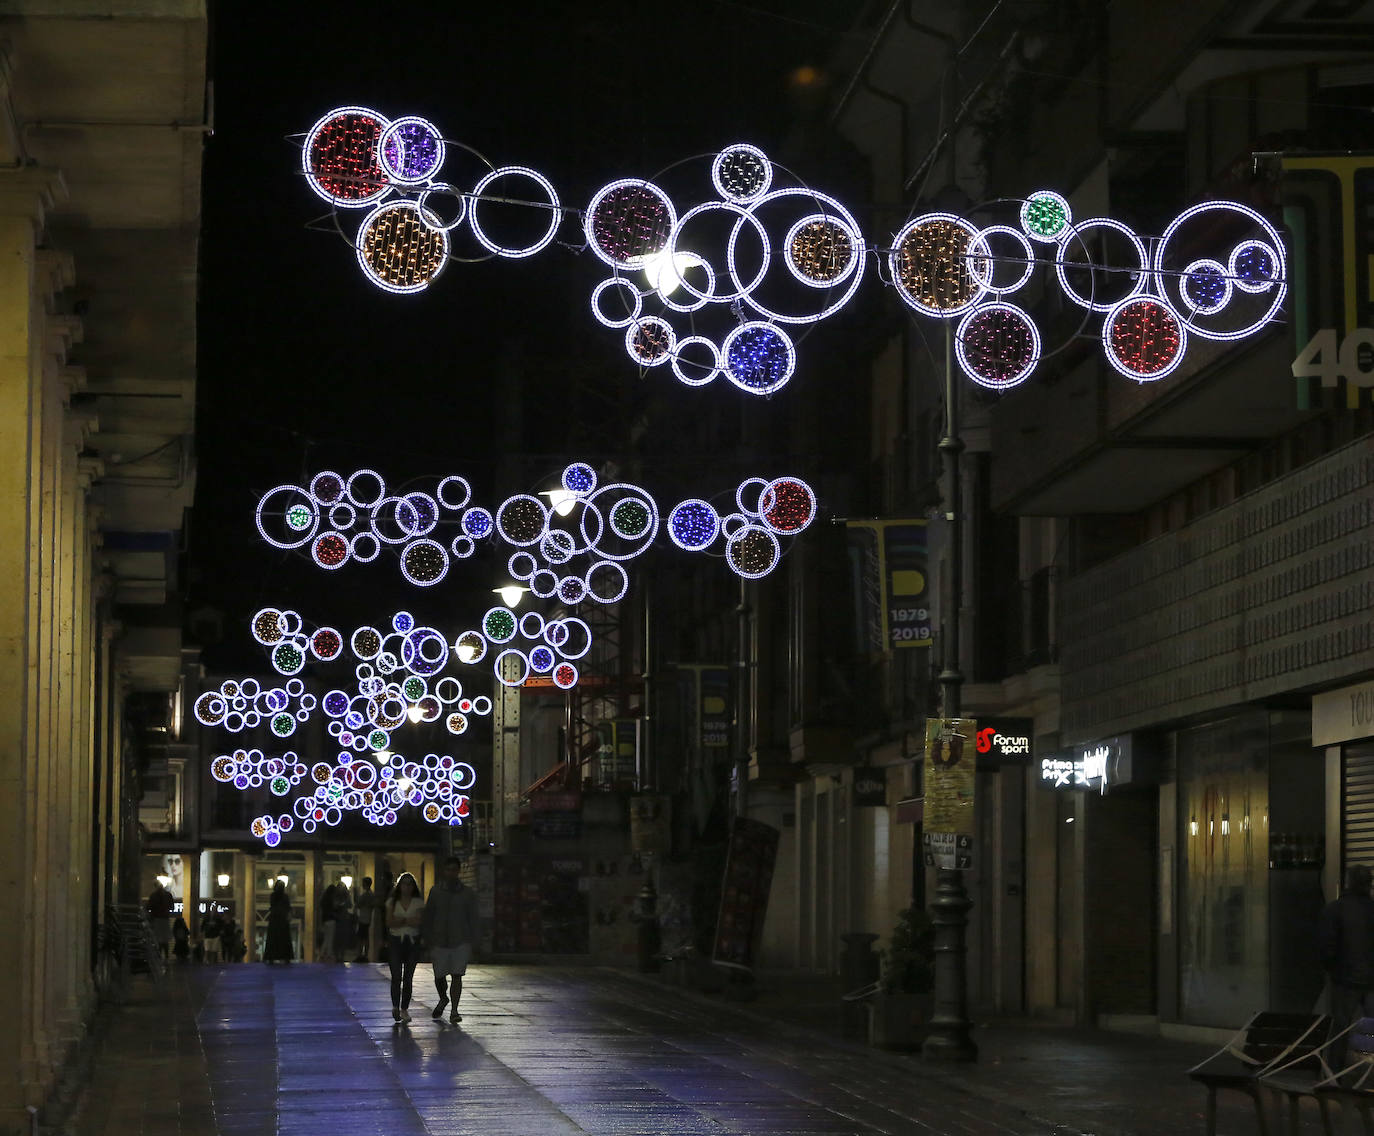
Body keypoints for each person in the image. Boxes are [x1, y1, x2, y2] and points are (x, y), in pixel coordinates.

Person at [1319, 863, 1374, 1070]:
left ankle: (1335, 1074)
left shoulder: (1335, 909)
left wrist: (1333, 970)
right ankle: (1367, 1073)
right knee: (1372, 1029)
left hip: (1344, 980)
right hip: (1371, 981)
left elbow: (1326, 946)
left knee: (1340, 1029)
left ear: (1348, 882)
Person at [421, 856, 479, 1024]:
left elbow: (473, 917)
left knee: (457, 975)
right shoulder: (436, 891)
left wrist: (475, 940)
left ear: (458, 871)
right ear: (444, 871)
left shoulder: (467, 893)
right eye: (448, 870)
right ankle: (443, 998)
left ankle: (454, 1010)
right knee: (439, 975)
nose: (451, 873)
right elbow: (429, 915)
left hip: (460, 939)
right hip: (439, 940)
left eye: (454, 870)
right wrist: (427, 938)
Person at [386, 872, 424, 1022]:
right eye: (404, 884)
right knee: (396, 976)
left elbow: (419, 921)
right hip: (395, 940)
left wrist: (400, 920)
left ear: (413, 887)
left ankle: (404, 1009)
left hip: (412, 941)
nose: (406, 887)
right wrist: (408, 920)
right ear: (399, 885)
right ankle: (395, 1006)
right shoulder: (392, 902)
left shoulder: (418, 903)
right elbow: (389, 922)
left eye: (409, 884)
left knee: (408, 977)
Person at [263, 879, 293, 963]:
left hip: (275, 920)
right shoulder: (285, 896)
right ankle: (285, 957)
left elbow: (273, 906)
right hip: (282, 920)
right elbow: (288, 907)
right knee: (284, 939)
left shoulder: (273, 896)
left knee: (273, 939)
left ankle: (271, 957)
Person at [146, 881, 174, 960]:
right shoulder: (168, 895)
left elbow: (148, 907)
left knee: (158, 939)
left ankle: (159, 956)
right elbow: (172, 907)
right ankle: (166, 956)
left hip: (157, 919)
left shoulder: (153, 895)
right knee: (165, 939)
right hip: (165, 919)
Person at [354, 877, 379, 963]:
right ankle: (365, 954)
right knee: (365, 937)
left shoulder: (365, 895)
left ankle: (360, 954)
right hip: (368, 918)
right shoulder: (372, 895)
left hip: (363, 918)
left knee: (361, 938)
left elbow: (358, 904)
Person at [319, 879, 339, 962]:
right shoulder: (332, 899)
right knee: (330, 938)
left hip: (325, 920)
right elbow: (335, 907)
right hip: (331, 920)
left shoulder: (324, 900)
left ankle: (322, 953)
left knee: (326, 938)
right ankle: (329, 954)